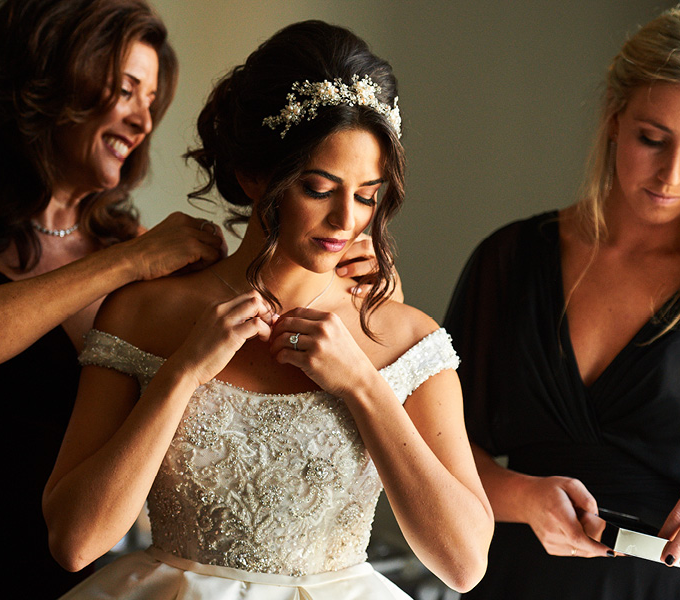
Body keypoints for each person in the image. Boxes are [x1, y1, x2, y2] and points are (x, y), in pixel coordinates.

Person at [42, 19, 494, 599]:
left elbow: (463, 564)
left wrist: (361, 384)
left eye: (366, 195)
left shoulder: (407, 339)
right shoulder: (142, 315)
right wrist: (183, 371)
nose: (346, 222)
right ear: (254, 175)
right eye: (319, 188)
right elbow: (75, 542)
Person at [444, 6, 680, 600]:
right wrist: (523, 497)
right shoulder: (509, 262)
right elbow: (434, 457)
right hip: (517, 584)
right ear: (613, 116)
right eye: (651, 139)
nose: (671, 174)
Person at [0, 1, 226, 597]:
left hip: (54, 574)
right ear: (45, 79)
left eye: (151, 102)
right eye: (126, 90)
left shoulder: (132, 251)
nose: (142, 120)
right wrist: (122, 262)